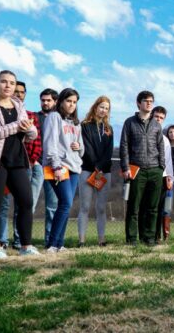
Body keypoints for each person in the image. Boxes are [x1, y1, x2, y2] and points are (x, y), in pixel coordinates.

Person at [0, 70, 40, 258]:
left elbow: (31, 135)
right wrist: (17, 127)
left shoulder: (19, 105)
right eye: (4, 81)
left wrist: (30, 129)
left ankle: (26, 246)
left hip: (18, 159)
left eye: (11, 82)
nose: (8, 85)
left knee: (26, 201)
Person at [119, 91, 165, 246]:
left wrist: (161, 166)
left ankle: (149, 238)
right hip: (136, 169)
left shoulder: (156, 124)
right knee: (134, 206)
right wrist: (125, 167)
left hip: (155, 170)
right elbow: (124, 146)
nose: (149, 103)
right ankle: (131, 239)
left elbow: (161, 147)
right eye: (146, 101)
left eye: (151, 101)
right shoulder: (129, 122)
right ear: (138, 103)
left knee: (152, 207)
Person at [43, 88, 84, 253]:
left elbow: (82, 149)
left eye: (74, 102)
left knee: (66, 205)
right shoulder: (54, 117)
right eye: (69, 101)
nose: (72, 105)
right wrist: (56, 165)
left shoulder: (76, 123)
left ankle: (59, 244)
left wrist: (79, 146)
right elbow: (49, 143)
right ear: (60, 101)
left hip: (74, 167)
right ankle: (52, 244)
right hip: (60, 167)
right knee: (65, 203)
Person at [5, 81, 43, 250]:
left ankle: (23, 241)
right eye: (16, 91)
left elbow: (36, 139)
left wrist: (33, 160)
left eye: (22, 92)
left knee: (27, 203)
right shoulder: (5, 113)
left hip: (31, 163)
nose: (19, 94)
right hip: (13, 163)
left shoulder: (30, 115)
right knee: (6, 203)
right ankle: (5, 240)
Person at [77, 96, 114, 247]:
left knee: (101, 207)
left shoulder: (109, 129)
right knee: (85, 206)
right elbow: (86, 147)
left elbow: (109, 151)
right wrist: (94, 166)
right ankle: (82, 240)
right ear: (95, 107)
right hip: (87, 169)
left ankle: (101, 239)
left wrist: (100, 167)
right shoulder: (84, 125)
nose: (103, 110)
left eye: (106, 108)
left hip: (104, 172)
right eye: (101, 107)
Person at [37, 88, 60, 246]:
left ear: (55, 101)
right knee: (27, 204)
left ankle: (49, 241)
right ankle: (20, 241)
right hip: (36, 165)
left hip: (53, 167)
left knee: (52, 206)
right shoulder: (34, 117)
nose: (45, 103)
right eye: (43, 100)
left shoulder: (60, 119)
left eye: (48, 100)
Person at [151, 106, 174, 244]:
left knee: (161, 207)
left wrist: (169, 177)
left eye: (161, 118)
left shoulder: (165, 139)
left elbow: (168, 160)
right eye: (156, 117)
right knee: (148, 207)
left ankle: (157, 237)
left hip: (161, 176)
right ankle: (147, 235)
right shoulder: (146, 134)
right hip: (146, 175)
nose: (158, 120)